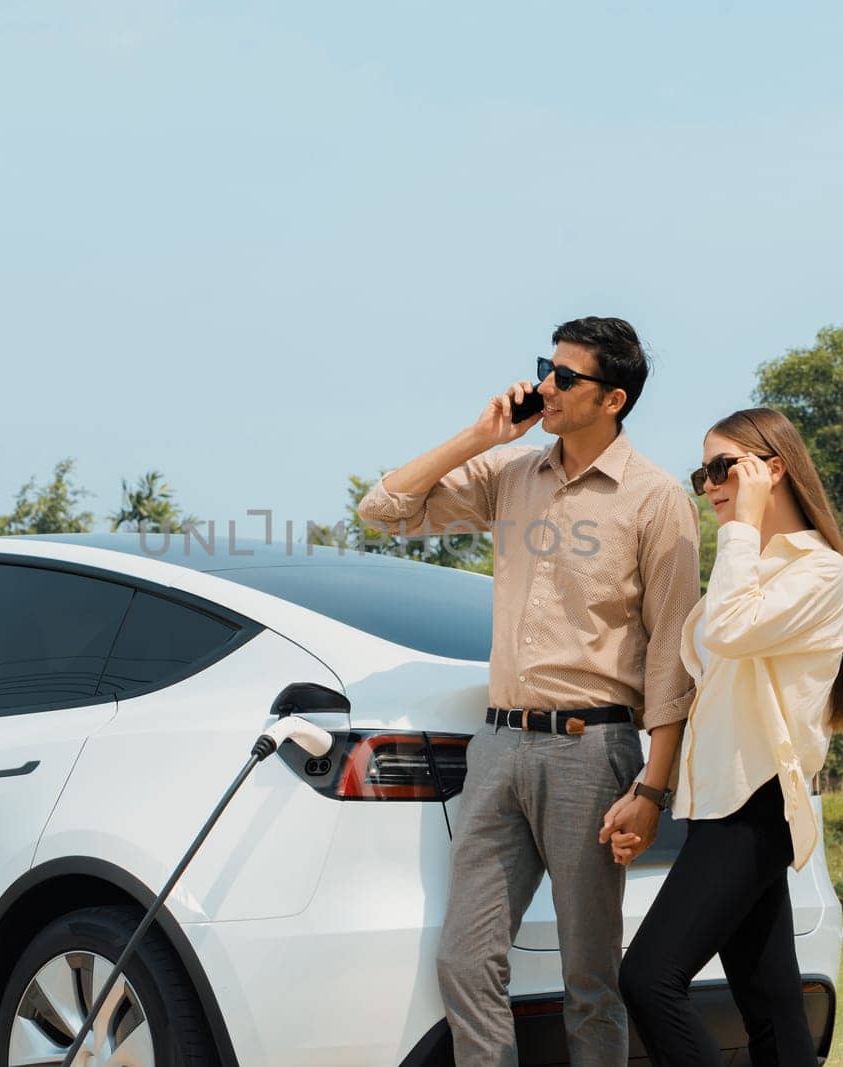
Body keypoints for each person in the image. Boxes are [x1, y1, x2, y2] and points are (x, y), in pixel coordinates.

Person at [357, 317, 700, 1067]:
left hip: (594, 753)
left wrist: (652, 786)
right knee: (466, 961)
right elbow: (380, 509)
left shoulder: (656, 498)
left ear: (612, 399)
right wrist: (479, 438)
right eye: (546, 366)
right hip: (498, 748)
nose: (545, 383)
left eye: (565, 376)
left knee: (589, 980)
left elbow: (676, 654)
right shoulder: (511, 474)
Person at [607, 406, 843, 1066]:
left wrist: (742, 530)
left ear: (773, 469)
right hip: (718, 806)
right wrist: (654, 787)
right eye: (703, 472)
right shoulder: (751, 563)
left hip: (753, 805)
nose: (710, 484)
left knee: (649, 977)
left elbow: (729, 630)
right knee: (774, 1013)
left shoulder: (818, 571)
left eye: (724, 467)